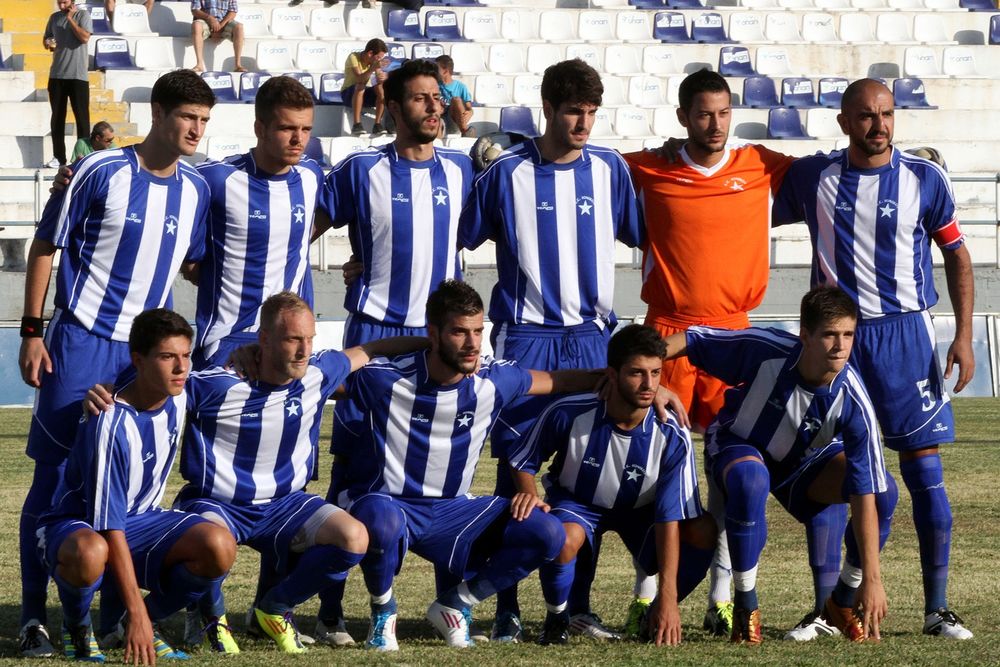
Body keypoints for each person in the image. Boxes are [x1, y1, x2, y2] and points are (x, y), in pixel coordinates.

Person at [623, 69, 853, 641]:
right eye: (704, 113)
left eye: (724, 113)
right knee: (658, 473)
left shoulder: (760, 165)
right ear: (683, 117)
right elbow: (582, 165)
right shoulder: (647, 166)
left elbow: (830, 170)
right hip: (669, 334)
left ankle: (723, 595)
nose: (716, 124)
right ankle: (645, 593)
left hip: (735, 340)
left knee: (731, 469)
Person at [87, 293, 431, 654]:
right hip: (217, 502)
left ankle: (274, 608)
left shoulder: (318, 373)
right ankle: (203, 620)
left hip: (286, 504)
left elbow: (372, 348)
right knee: (213, 544)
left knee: (354, 538)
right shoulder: (218, 383)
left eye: (309, 339)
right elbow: (155, 380)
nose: (303, 350)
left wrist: (434, 342)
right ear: (263, 340)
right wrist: (107, 390)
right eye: (292, 339)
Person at [17, 69, 214, 658]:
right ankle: (35, 619)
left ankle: (111, 618)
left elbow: (194, 265)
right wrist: (32, 332)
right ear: (158, 114)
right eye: (187, 118)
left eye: (204, 121)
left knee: (122, 486)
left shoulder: (196, 190)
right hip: (80, 342)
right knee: (52, 478)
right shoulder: (101, 170)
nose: (196, 131)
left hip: (141, 356)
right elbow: (47, 245)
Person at [772, 78, 976, 640]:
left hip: (907, 339)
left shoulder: (923, 178)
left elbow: (957, 256)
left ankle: (937, 609)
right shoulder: (814, 178)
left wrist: (961, 335)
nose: (879, 125)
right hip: (839, 343)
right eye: (865, 116)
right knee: (840, 473)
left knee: (926, 475)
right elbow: (744, 197)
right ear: (843, 122)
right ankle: (829, 607)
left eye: (886, 114)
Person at [330, 279, 629, 651]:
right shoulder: (385, 377)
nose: (473, 343)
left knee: (547, 532)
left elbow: (561, 381)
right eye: (459, 332)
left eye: (478, 331)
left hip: (453, 510)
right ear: (433, 335)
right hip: (391, 505)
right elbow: (314, 378)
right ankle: (383, 614)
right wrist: (373, 348)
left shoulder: (494, 378)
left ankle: (457, 603)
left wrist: (641, 386)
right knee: (381, 519)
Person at [459, 57, 645, 643]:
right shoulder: (505, 173)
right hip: (526, 339)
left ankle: (576, 607)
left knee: (581, 476)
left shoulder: (610, 169)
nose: (583, 123)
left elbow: (646, 233)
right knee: (516, 472)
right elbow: (456, 238)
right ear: (548, 109)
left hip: (592, 338)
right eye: (573, 112)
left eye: (591, 112)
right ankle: (505, 605)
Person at [313, 57, 475, 647]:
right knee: (352, 477)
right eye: (420, 99)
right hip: (375, 344)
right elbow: (298, 226)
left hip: (439, 354)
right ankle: (331, 612)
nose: (434, 107)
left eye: (438, 98)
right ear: (391, 107)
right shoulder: (361, 169)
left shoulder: (462, 172)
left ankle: (449, 605)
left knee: (446, 478)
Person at [666, 286, 899, 644]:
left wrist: (872, 579)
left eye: (848, 334)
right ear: (804, 335)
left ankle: (840, 601)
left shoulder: (853, 396)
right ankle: (746, 603)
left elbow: (865, 488)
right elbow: (692, 339)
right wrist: (636, 371)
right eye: (829, 335)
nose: (840, 345)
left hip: (801, 467)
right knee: (750, 478)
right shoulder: (765, 349)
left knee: (885, 491)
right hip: (738, 445)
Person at [38, 309, 236, 664]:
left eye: (185, 356)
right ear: (138, 361)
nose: (180, 367)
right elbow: (110, 526)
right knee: (90, 552)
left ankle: (136, 620)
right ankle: (78, 626)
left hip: (144, 520)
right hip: (81, 525)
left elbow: (238, 372)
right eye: (166, 357)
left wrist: (249, 353)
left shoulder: (182, 390)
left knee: (219, 544)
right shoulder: (109, 424)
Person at [507, 324, 716, 647]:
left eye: (656, 373)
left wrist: (669, 598)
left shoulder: (672, 432)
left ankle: (655, 615)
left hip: (640, 512)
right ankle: (559, 618)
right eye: (636, 373)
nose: (648, 384)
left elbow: (669, 517)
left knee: (702, 530)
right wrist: (530, 495)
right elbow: (523, 459)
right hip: (578, 503)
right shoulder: (570, 411)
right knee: (564, 538)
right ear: (612, 373)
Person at [190, 75, 332, 370]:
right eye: (286, 128)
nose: (299, 139)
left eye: (306, 129)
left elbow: (315, 226)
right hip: (228, 342)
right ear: (260, 128)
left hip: (289, 341)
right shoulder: (216, 179)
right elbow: (186, 256)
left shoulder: (311, 175)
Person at [43, 0, 92, 169]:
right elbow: (47, 38)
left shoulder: (83, 15)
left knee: (82, 118)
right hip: (56, 74)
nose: (61, 5)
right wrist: (48, 42)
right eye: (59, 2)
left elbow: (85, 38)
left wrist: (70, 19)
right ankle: (59, 157)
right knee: (57, 118)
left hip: (78, 76)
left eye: (64, 2)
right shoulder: (54, 17)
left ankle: (84, 156)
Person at [342, 38, 388, 137]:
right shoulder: (353, 57)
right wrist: (372, 68)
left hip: (363, 93)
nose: (379, 60)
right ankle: (356, 124)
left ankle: (377, 124)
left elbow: (378, 79)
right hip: (348, 93)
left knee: (381, 87)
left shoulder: (374, 62)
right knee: (360, 85)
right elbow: (359, 78)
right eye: (378, 57)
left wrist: (383, 76)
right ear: (370, 53)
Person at [191, 0, 245, 74]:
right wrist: (210, 18)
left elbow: (233, 11)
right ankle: (199, 64)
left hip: (224, 22)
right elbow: (195, 10)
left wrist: (221, 25)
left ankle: (238, 65)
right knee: (196, 25)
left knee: (239, 27)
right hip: (206, 21)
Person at [435, 55, 474, 138]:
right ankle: (466, 131)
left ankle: (465, 131)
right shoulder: (434, 85)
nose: (434, 71)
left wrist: (470, 112)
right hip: (439, 119)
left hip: (454, 121)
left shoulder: (460, 86)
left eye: (436, 69)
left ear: (445, 71)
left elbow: (469, 108)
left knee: (456, 100)